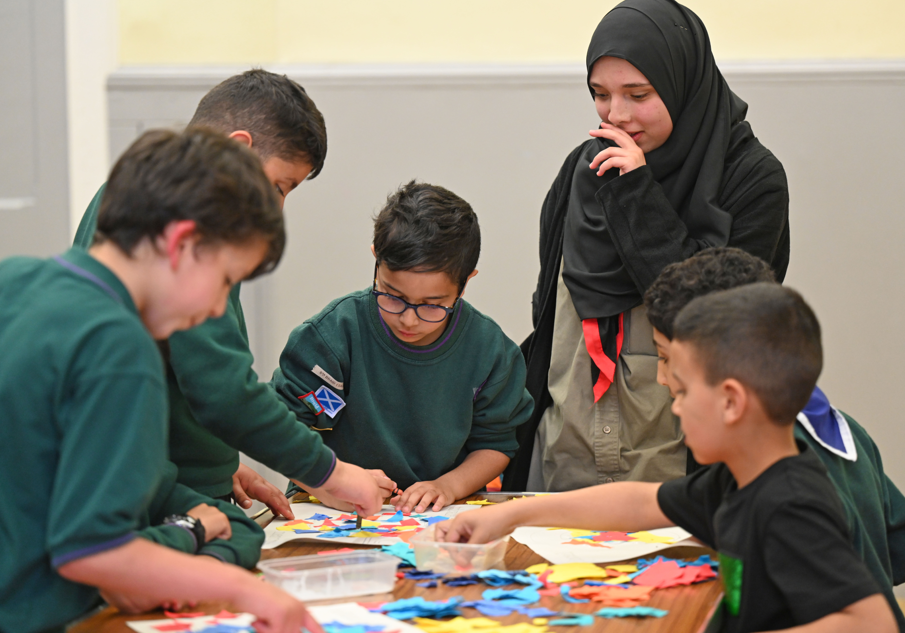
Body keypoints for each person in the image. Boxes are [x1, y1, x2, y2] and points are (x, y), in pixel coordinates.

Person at [0, 129, 336, 633]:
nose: (219, 308)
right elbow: (91, 549)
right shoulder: (121, 345)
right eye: (224, 280)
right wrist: (250, 591)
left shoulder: (16, 280)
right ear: (181, 243)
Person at [441, 284, 896, 633]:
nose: (673, 406)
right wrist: (512, 516)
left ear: (731, 402)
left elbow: (872, 621)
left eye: (680, 392)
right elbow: (640, 503)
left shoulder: (788, 501)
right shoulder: (736, 480)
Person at [506, 0, 790, 492]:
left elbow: (710, 320)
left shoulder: (751, 179)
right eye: (600, 94)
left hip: (689, 465)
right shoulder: (584, 168)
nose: (616, 115)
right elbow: (550, 313)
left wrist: (637, 193)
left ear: (683, 85)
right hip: (567, 452)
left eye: (638, 94)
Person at [73, 69, 384, 517]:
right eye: (279, 187)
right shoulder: (195, 220)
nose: (277, 210)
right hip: (151, 496)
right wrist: (328, 472)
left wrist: (221, 462)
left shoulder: (130, 194)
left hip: (168, 481)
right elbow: (221, 389)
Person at [644, 247, 905, 628]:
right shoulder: (845, 431)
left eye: (668, 360)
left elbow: (870, 621)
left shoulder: (774, 479)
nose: (663, 380)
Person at [271, 181, 534, 513]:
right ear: (375, 261)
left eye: (431, 305)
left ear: (465, 283)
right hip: (330, 508)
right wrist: (329, 481)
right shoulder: (332, 337)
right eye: (392, 297)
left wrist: (449, 486)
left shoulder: (490, 352)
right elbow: (280, 427)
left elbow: (495, 444)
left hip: (439, 517)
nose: (409, 320)